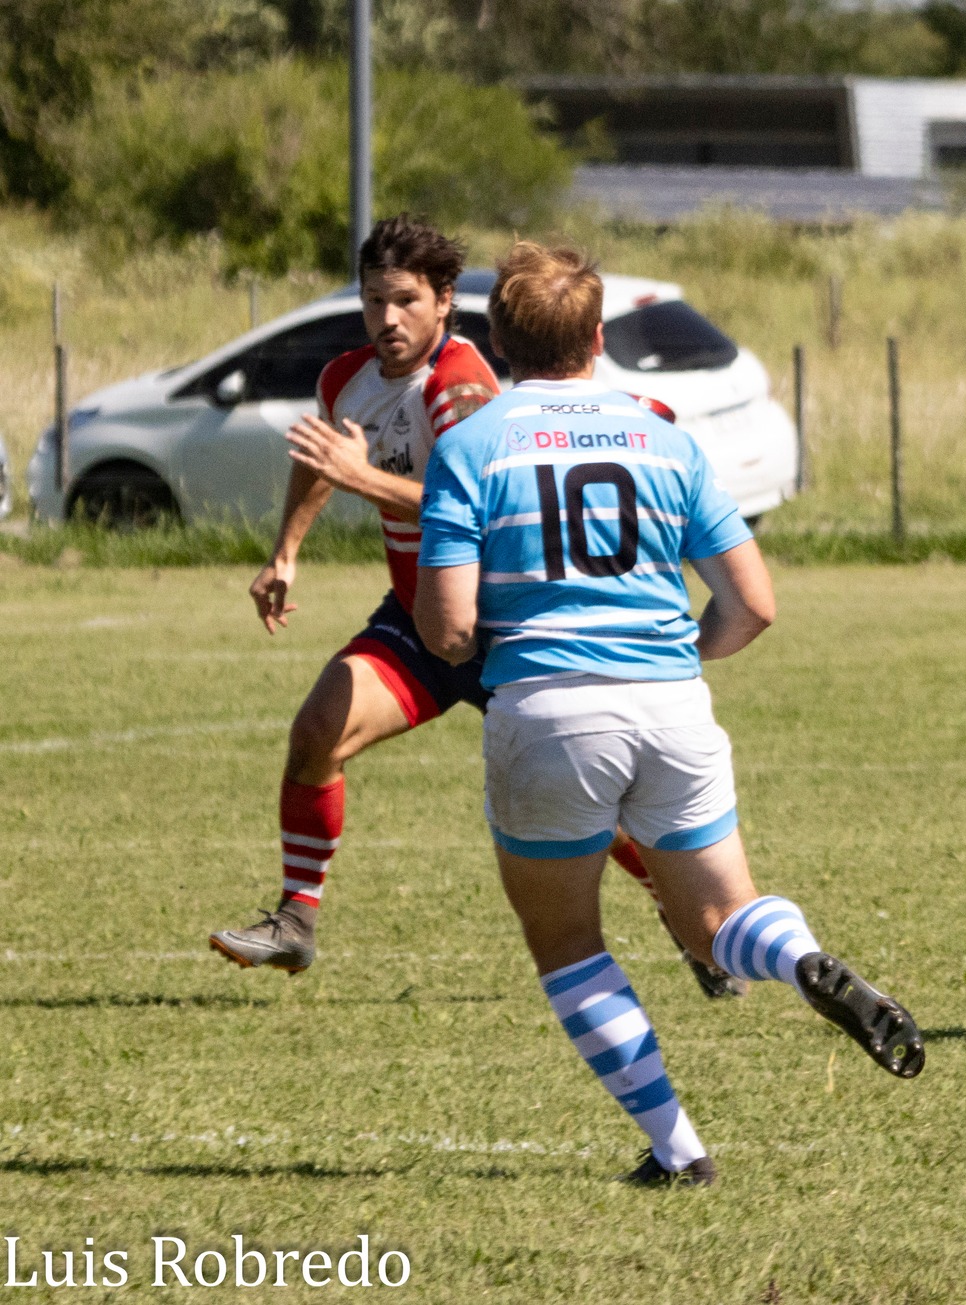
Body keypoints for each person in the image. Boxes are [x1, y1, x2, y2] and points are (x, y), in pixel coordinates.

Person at [412, 241, 923, 1187]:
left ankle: (678, 1149)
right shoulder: (665, 436)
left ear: (495, 340)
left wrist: (488, 646)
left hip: (549, 710)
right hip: (672, 705)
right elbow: (753, 605)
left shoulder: (471, 444)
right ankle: (802, 955)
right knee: (719, 918)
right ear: (599, 338)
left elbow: (445, 624)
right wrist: (673, 655)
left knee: (568, 941)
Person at [206, 216, 745, 1001]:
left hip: (505, 628)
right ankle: (296, 919)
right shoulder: (346, 379)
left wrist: (363, 478)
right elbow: (328, 458)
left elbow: (471, 505)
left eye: (404, 301)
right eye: (373, 301)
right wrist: (286, 550)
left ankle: (681, 906)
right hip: (422, 622)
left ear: (444, 302)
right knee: (318, 730)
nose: (387, 319)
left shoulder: (462, 385)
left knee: (594, 799)